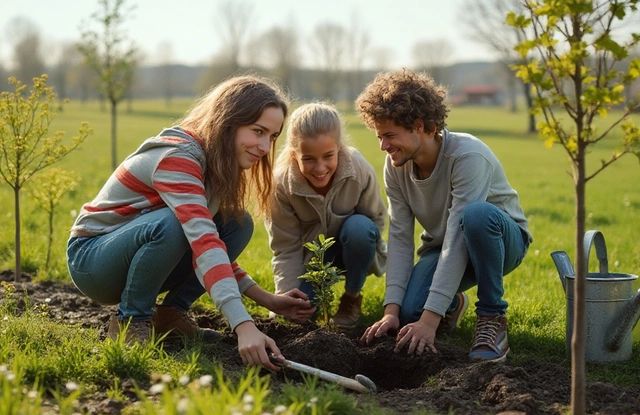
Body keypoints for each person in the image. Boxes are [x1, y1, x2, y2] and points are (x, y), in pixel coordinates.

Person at [67, 75, 316, 371]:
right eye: (258, 131)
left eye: (272, 136)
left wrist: (268, 301)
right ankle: (131, 319)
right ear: (228, 122)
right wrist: (243, 325)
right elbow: (203, 241)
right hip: (93, 260)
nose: (264, 146)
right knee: (174, 225)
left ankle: (170, 315)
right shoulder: (179, 157)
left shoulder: (215, 164)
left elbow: (210, 247)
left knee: (237, 223)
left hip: (134, 253)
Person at [356, 69, 532, 362]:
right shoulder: (395, 166)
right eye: (379, 137)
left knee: (475, 216)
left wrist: (430, 321)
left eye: (389, 136)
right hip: (443, 246)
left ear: (420, 126)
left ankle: (491, 318)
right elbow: (400, 238)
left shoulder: (468, 157)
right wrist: (391, 312)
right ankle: (452, 300)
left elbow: (459, 237)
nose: (383, 147)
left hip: (500, 241)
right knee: (410, 312)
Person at [266, 102, 387, 330]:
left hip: (352, 246)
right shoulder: (281, 184)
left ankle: (351, 298)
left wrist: (360, 252)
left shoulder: (358, 169)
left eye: (328, 156)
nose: (320, 168)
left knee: (359, 227)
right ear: (294, 154)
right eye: (309, 159)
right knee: (298, 316)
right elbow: (286, 247)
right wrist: (284, 297)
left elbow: (375, 220)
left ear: (339, 148)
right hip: (311, 260)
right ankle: (311, 298)